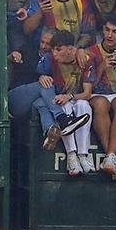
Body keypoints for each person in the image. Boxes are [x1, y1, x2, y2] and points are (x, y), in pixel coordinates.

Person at [8, 30, 91, 152]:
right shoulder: (29, 50)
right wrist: (39, 76)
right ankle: (63, 119)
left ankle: (50, 132)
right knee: (46, 85)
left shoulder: (54, 59)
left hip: (34, 104)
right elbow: (11, 60)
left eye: (49, 44)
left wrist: (79, 50)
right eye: (42, 42)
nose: (44, 46)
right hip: (15, 99)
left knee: (42, 102)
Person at [36, 31, 96, 175]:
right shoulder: (48, 59)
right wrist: (42, 76)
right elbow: (39, 78)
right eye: (53, 49)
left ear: (71, 49)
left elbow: (87, 94)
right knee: (64, 107)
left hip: (77, 97)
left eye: (58, 49)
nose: (55, 53)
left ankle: (83, 154)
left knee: (83, 106)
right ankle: (72, 155)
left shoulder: (85, 59)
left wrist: (69, 96)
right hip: (59, 100)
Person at [87, 16, 116, 180]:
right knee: (100, 103)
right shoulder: (91, 51)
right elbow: (87, 86)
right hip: (97, 93)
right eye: (107, 30)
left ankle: (110, 157)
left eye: (115, 32)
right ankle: (112, 158)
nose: (110, 35)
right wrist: (101, 67)